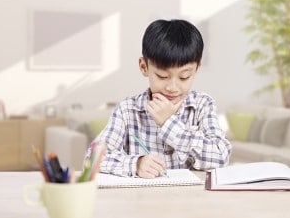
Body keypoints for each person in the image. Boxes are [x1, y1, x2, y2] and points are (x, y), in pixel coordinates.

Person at [85, 19, 232, 178]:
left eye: (184, 77)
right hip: (143, 199)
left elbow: (221, 156)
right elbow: (93, 157)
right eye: (162, 76)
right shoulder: (128, 110)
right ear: (144, 67)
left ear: (196, 70)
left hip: (191, 199)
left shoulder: (202, 104)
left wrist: (168, 123)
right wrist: (136, 163)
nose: (172, 87)